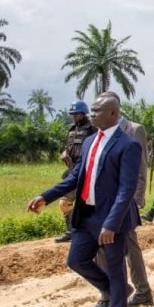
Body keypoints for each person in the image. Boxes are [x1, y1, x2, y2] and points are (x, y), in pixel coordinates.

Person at [27, 94, 141, 307]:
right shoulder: (90, 141)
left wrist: (111, 223)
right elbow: (74, 177)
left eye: (97, 110)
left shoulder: (128, 145)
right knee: (76, 260)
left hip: (111, 218)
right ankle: (114, 291)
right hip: (87, 214)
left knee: (115, 265)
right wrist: (45, 197)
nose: (92, 114)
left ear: (112, 113)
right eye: (92, 110)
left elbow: (126, 189)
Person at [91, 90, 154, 307]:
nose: (95, 113)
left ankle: (142, 291)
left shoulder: (134, 130)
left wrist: (135, 200)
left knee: (128, 244)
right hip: (101, 202)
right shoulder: (99, 132)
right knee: (100, 244)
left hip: (125, 201)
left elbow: (140, 168)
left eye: (100, 108)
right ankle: (108, 293)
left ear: (114, 109)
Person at [55, 100, 97, 244]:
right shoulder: (71, 129)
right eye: (72, 114)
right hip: (72, 172)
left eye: (76, 114)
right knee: (64, 202)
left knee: (88, 204)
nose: (74, 116)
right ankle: (70, 231)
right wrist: (65, 153)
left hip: (88, 173)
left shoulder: (92, 128)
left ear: (83, 113)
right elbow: (68, 146)